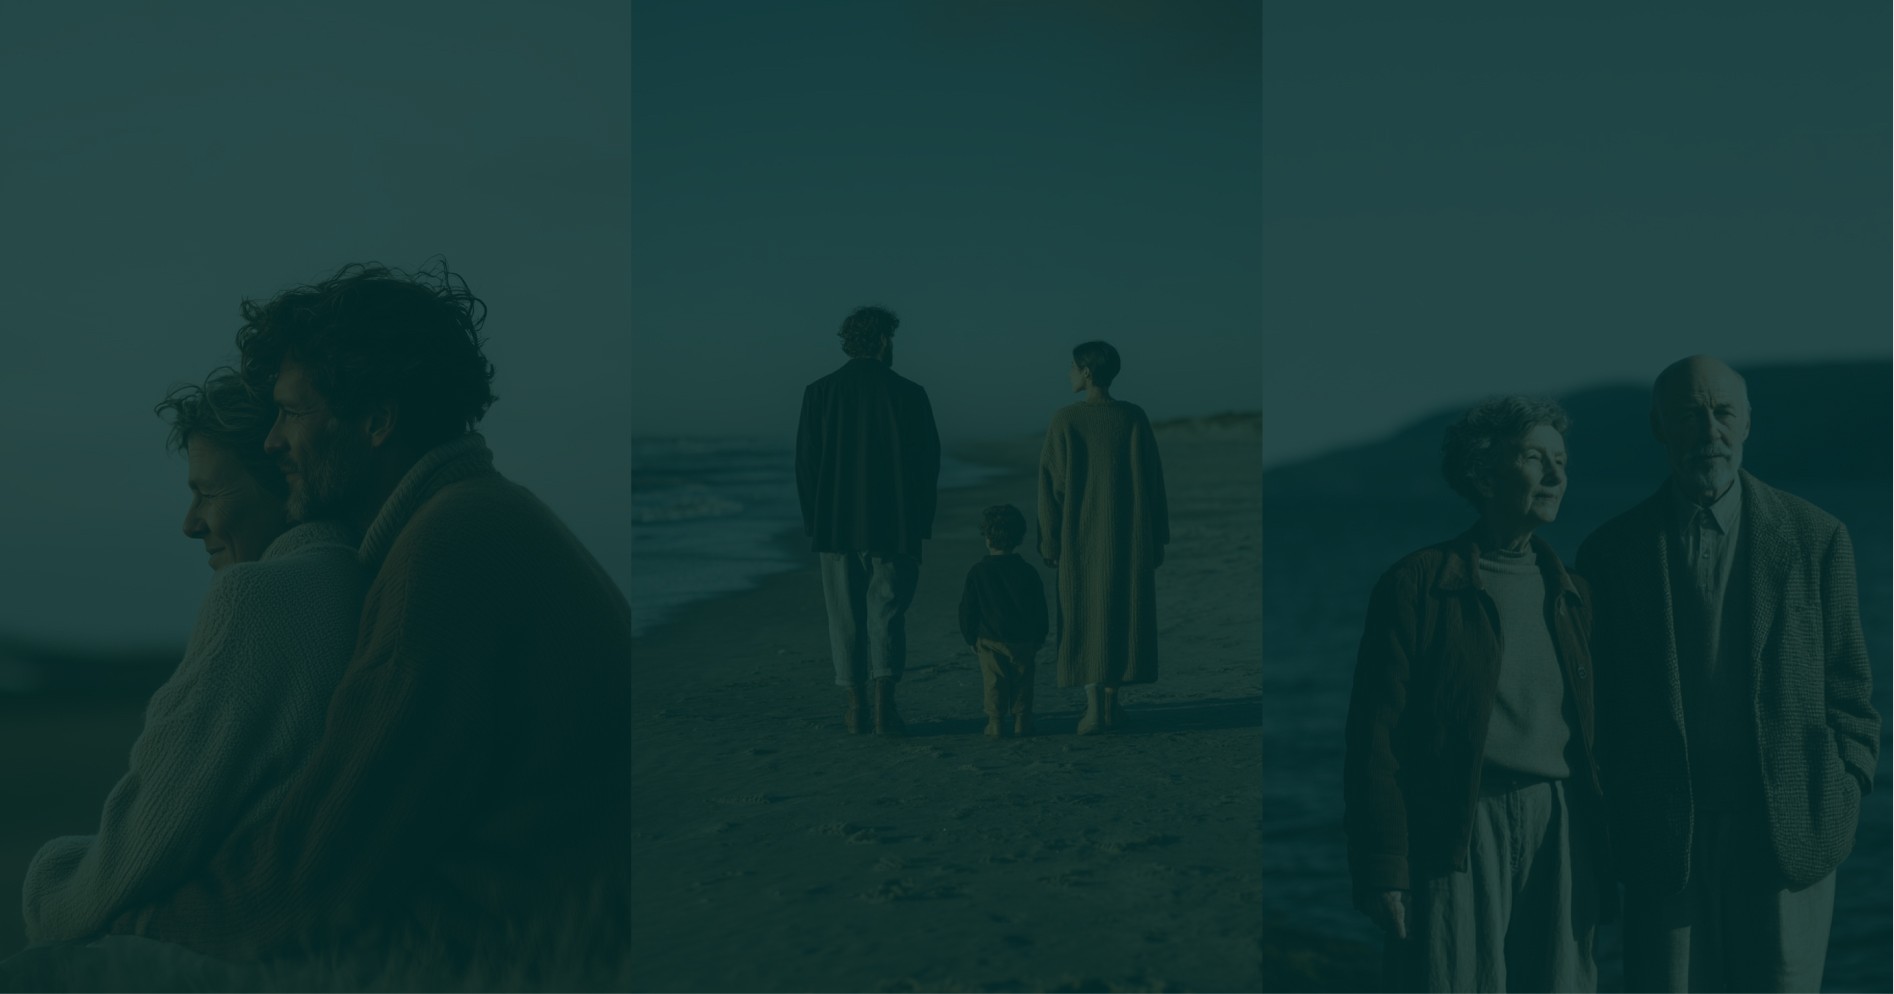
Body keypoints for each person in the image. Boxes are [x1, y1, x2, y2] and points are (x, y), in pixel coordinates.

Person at [95, 262, 632, 986]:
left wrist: (141, 926)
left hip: (519, 952)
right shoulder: (487, 512)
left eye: (290, 412)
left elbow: (321, 870)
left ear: (377, 419)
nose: (275, 443)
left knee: (59, 972)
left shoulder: (446, 551)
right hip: (559, 926)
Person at [18, 369, 362, 948]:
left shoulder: (256, 599)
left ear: (285, 477)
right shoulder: (362, 576)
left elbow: (144, 842)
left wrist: (49, 880)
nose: (190, 523)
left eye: (208, 492)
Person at [1577, 355, 1878, 993]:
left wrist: (1845, 787)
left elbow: (1851, 691)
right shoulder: (1610, 552)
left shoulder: (1816, 537)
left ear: (1747, 425)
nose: (1708, 429)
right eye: (1689, 414)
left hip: (1790, 833)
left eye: (1723, 412)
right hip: (1665, 838)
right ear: (1660, 428)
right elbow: (1595, 706)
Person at [1344, 396, 1610, 993]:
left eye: (1562, 460)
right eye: (1536, 458)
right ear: (1483, 475)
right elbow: (1374, 739)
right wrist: (1384, 867)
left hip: (1560, 826)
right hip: (1456, 827)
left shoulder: (1577, 596)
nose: (1556, 474)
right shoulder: (1417, 584)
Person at [795, 305, 941, 737]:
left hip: (836, 524)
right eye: (891, 339)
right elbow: (926, 466)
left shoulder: (819, 392)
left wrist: (814, 522)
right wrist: (920, 522)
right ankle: (885, 706)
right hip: (895, 524)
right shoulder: (910, 393)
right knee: (887, 613)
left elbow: (806, 465)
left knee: (844, 617)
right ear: (882, 341)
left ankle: (855, 707)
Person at [1036, 340, 1167, 735]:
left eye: (1073, 367)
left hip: (1081, 538)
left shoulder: (1066, 419)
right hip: (1130, 536)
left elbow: (1050, 487)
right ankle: (1112, 705)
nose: (1069, 374)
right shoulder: (1134, 417)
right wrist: (1159, 536)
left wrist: (1049, 541)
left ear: (1087, 372)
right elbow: (1154, 480)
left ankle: (1095, 710)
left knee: (1083, 614)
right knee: (1122, 613)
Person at [957, 504, 1050, 738]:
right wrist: (1040, 635)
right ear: (1019, 537)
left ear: (987, 538)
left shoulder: (978, 571)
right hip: (1024, 639)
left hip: (989, 638)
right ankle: (1022, 722)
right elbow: (1040, 607)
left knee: (994, 682)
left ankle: (995, 723)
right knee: (1023, 682)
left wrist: (969, 636)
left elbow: (968, 608)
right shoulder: (1028, 571)